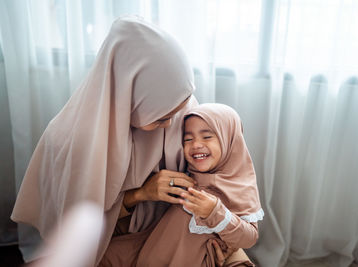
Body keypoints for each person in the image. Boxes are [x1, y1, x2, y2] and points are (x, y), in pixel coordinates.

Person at [11, 17, 248, 266]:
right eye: (161, 118)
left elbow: (219, 181)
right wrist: (140, 193)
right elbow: (74, 228)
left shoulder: (182, 109)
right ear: (130, 93)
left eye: (175, 113)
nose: (171, 125)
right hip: (112, 241)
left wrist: (220, 236)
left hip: (184, 230)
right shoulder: (68, 141)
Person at [136, 103, 264, 267]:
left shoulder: (241, 186)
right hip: (150, 253)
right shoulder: (183, 175)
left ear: (229, 139)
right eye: (188, 139)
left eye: (207, 137)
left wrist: (215, 213)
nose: (195, 144)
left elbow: (250, 237)